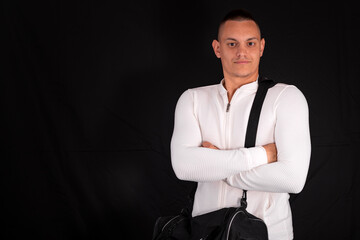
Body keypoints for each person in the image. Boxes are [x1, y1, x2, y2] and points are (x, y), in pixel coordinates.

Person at [170, 9, 311, 240]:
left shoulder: (286, 97)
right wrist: (263, 155)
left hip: (268, 231)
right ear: (217, 48)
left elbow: (292, 179)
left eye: (250, 43)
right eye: (232, 43)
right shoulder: (192, 99)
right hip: (204, 231)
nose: (242, 52)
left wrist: (219, 170)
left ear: (262, 46)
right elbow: (184, 166)